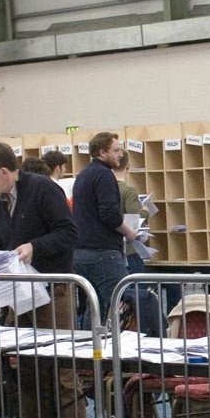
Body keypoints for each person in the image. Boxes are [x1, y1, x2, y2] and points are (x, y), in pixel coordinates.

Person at [0, 141, 90, 418]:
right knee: (25, 369)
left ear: (3, 172)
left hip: (52, 292)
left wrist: (34, 247)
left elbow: (69, 233)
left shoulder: (43, 190)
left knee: (61, 368)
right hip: (19, 296)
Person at [73, 132, 136, 325]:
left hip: (81, 252)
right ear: (102, 152)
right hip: (103, 252)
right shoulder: (104, 174)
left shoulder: (83, 175)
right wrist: (130, 232)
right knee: (125, 302)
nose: (121, 154)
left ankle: (91, 351)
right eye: (116, 150)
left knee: (94, 308)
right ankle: (121, 352)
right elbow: (109, 213)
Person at [113, 152, 148, 273]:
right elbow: (135, 220)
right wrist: (145, 212)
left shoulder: (105, 188)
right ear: (128, 166)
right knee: (138, 286)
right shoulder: (128, 191)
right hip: (126, 249)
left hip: (110, 247)